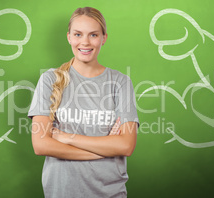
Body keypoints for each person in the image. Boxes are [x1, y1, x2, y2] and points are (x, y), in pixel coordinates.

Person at [28, 7, 139, 198]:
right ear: (69, 37)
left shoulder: (120, 82)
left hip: (110, 193)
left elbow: (126, 146)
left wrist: (67, 137)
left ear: (103, 38)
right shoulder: (50, 80)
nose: (85, 42)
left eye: (93, 35)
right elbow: (41, 145)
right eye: (78, 34)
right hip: (61, 192)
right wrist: (103, 150)